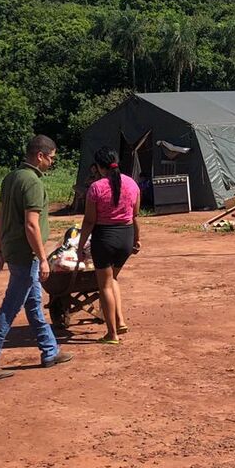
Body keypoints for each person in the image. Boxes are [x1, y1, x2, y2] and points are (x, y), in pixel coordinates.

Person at [0, 135, 75, 380]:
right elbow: (31, 225)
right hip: (26, 254)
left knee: (33, 304)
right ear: (40, 156)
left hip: (12, 249)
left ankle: (50, 351)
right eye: (51, 158)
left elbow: (1, 217)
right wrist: (41, 258)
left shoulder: (11, 178)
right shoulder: (32, 183)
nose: (51, 163)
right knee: (11, 307)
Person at [77, 146, 141, 345]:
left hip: (104, 238)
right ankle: (120, 320)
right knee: (113, 278)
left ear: (98, 167)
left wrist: (80, 246)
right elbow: (135, 215)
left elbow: (89, 221)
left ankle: (111, 334)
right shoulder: (131, 184)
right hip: (126, 236)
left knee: (103, 285)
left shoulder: (96, 188)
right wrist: (137, 239)